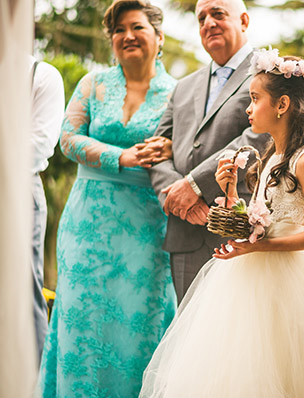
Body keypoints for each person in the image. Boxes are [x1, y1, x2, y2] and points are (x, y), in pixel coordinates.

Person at [139, 48, 304, 397]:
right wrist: (230, 191)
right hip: (249, 275)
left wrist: (261, 246)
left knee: (287, 368)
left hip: (291, 281)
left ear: (282, 105)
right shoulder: (271, 157)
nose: (248, 108)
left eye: (255, 98)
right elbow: (255, 218)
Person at [37, 1, 177, 396]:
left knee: (140, 321)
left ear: (159, 37)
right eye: (118, 30)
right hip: (87, 225)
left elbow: (180, 152)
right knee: (82, 318)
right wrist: (122, 156)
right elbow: (68, 139)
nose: (126, 36)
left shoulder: (178, 95)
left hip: (147, 227)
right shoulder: (92, 85)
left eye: (136, 27)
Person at [148, 0, 269, 304]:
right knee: (191, 342)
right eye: (201, 17)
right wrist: (179, 198)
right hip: (186, 234)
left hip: (243, 230)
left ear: (243, 20)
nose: (208, 23)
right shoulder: (183, 87)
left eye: (218, 14)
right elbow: (156, 150)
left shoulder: (269, 75)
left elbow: (259, 138)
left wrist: (196, 184)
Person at [28, 55, 65, 364]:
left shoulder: (42, 75)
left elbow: (40, 144)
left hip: (18, 190)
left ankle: (32, 382)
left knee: (24, 291)